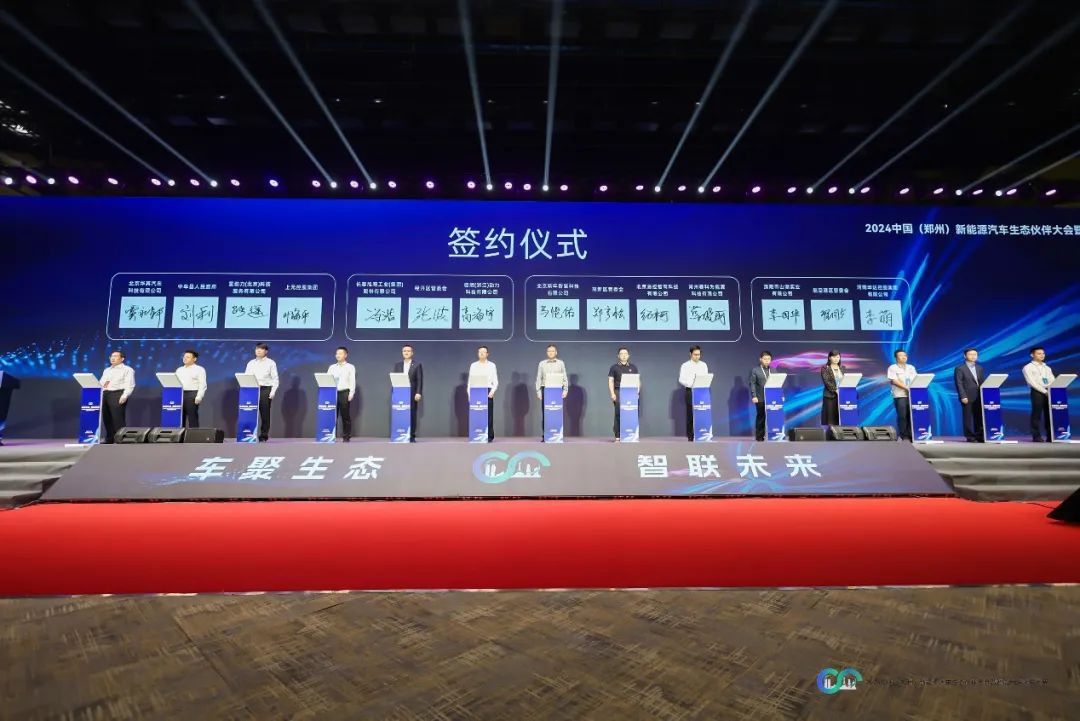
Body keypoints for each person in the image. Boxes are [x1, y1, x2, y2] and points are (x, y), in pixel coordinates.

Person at [244, 343, 279, 442]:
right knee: (249, 412)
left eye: (261, 349)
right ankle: (249, 433)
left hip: (265, 389)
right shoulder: (251, 363)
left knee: (265, 413)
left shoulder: (271, 363)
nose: (258, 351)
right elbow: (246, 376)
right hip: (252, 389)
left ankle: (263, 435)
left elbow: (275, 379)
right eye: (257, 349)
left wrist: (273, 391)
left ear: (266, 351)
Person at [535, 344, 569, 441]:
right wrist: (538, 392)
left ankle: (557, 435)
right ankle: (546, 435)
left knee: (556, 413)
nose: (551, 353)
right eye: (549, 351)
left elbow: (564, 377)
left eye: (553, 351)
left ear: (556, 352)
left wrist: (565, 390)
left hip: (557, 390)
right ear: (547, 353)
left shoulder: (561, 363)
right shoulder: (542, 363)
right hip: (546, 389)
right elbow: (539, 378)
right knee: (546, 413)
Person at [100, 350, 135, 443]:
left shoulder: (127, 369)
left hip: (117, 394)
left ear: (122, 359)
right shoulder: (107, 370)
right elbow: (102, 383)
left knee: (117, 418)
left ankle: (121, 438)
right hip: (105, 394)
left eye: (115, 356)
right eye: (111, 356)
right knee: (106, 418)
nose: (113, 358)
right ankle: (109, 439)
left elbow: (130, 384)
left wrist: (125, 395)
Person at [953, 347, 986, 442]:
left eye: (975, 354)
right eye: (970, 354)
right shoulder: (960, 368)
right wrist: (963, 396)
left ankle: (979, 435)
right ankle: (970, 436)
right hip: (967, 396)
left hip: (979, 395)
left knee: (979, 416)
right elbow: (959, 383)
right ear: (965, 356)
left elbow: (982, 382)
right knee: (968, 417)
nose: (973, 356)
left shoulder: (980, 368)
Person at [1022, 346, 1055, 442]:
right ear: (1032, 355)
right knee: (1036, 415)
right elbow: (1032, 382)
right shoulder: (1028, 367)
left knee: (1049, 414)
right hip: (1037, 392)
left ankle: (1051, 436)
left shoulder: (1047, 367)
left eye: (1043, 353)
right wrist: (1044, 391)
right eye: (1039, 353)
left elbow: (1052, 379)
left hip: (1049, 391)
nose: (1042, 355)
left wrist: (1052, 389)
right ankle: (1036, 436)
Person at [467, 345, 499, 442]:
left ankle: (489, 436)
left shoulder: (492, 365)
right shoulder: (473, 365)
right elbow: (470, 382)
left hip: (487, 391)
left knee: (488, 415)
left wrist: (493, 391)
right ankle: (476, 435)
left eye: (483, 352)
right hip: (476, 391)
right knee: (477, 415)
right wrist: (469, 395)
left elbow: (495, 381)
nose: (481, 353)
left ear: (487, 354)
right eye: (479, 352)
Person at [392, 344, 423, 442]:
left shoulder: (417, 365)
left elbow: (419, 379)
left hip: (412, 393)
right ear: (402, 353)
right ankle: (400, 435)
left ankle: (412, 436)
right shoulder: (397, 365)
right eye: (404, 351)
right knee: (400, 414)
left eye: (408, 351)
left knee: (412, 414)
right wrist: (394, 393)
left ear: (412, 353)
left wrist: (418, 392)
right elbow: (395, 378)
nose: (406, 352)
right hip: (400, 393)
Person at [608, 346, 639, 441]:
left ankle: (630, 435)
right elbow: (610, 380)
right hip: (618, 391)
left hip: (631, 392)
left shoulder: (633, 367)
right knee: (618, 413)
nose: (624, 356)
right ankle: (617, 436)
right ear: (618, 356)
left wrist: (637, 392)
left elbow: (637, 380)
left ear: (628, 355)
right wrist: (612, 393)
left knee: (630, 413)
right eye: (622, 354)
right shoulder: (614, 367)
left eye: (625, 354)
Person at [678, 345, 709, 441]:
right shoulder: (685, 365)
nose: (697, 356)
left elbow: (706, 377)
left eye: (698, 354)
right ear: (690, 354)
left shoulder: (703, 365)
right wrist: (691, 384)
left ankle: (702, 433)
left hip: (701, 391)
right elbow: (681, 379)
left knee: (702, 412)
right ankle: (690, 435)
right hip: (690, 390)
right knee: (690, 414)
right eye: (695, 354)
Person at [887, 349, 917, 441]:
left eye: (905, 355)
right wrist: (907, 388)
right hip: (900, 396)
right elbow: (894, 381)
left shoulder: (911, 367)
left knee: (911, 416)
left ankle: (912, 435)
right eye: (901, 355)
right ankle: (904, 436)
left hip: (912, 395)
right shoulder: (893, 368)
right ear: (896, 358)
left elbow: (916, 379)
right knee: (902, 416)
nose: (904, 357)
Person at [328, 346, 356, 442]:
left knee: (345, 416)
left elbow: (352, 381)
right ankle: (331, 436)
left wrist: (351, 393)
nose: (338, 355)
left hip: (344, 393)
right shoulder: (332, 367)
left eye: (340, 353)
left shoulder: (350, 367)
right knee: (332, 416)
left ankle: (346, 436)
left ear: (345, 355)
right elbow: (327, 379)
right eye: (336, 353)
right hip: (332, 393)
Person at [175, 349, 207, 428]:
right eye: (184, 357)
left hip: (192, 394)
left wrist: (199, 396)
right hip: (180, 394)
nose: (185, 358)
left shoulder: (199, 369)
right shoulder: (179, 370)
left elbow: (202, 384)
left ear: (194, 359)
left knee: (192, 417)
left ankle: (194, 434)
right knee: (179, 418)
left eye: (188, 357)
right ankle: (180, 434)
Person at [747, 351, 774, 441]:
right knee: (761, 416)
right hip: (760, 397)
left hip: (772, 398)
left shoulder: (773, 370)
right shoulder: (756, 370)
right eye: (765, 359)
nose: (767, 361)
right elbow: (752, 383)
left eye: (769, 359)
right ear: (760, 359)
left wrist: (780, 395)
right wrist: (754, 395)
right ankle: (759, 436)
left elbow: (777, 383)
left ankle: (773, 434)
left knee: (773, 416)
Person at [819, 350, 845, 426]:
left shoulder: (842, 368)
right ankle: (829, 431)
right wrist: (835, 390)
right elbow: (826, 381)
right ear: (829, 357)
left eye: (838, 357)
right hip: (829, 396)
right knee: (830, 417)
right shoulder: (825, 368)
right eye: (834, 357)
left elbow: (844, 380)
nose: (836, 359)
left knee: (839, 417)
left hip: (841, 396)